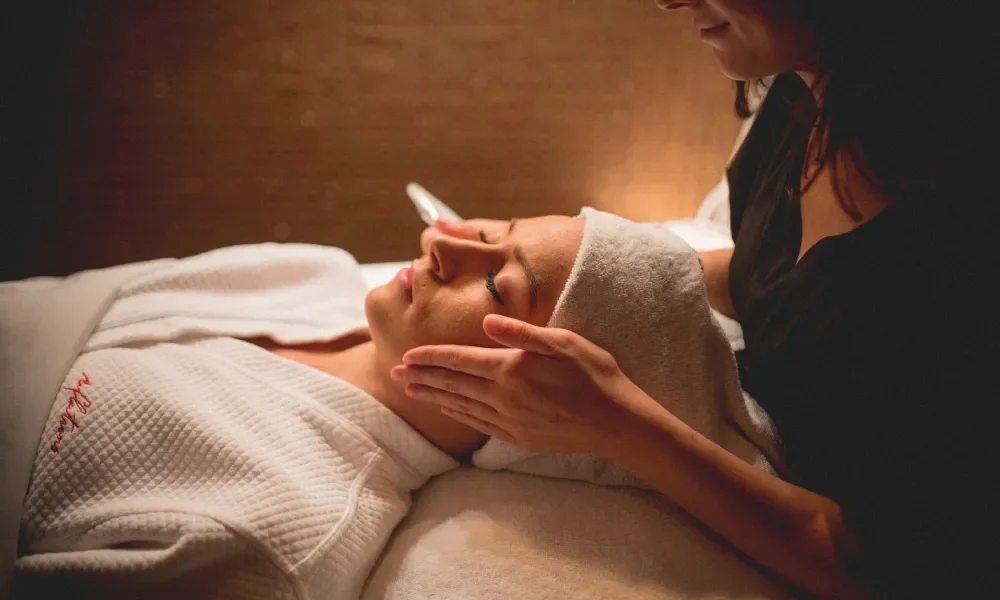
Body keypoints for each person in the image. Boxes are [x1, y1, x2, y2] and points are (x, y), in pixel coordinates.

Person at [391, 2, 997, 598]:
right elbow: (789, 281)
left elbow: (892, 565)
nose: (667, 0)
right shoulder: (804, 94)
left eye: (500, 287)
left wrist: (619, 425)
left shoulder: (959, 234)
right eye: (497, 237)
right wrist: (589, 262)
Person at [13, 210, 767, 599]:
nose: (440, 243)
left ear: (535, 404)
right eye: (487, 230)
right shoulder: (306, 274)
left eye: (501, 286)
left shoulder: (282, 532)